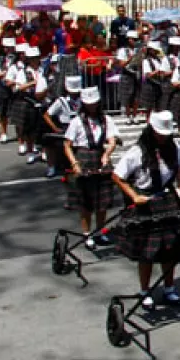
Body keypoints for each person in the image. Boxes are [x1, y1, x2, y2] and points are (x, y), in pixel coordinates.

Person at [111, 111, 180, 308]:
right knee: (147, 251)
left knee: (170, 249)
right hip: (145, 201)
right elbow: (117, 176)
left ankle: (169, 289)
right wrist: (134, 196)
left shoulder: (174, 148)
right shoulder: (137, 152)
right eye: (159, 133)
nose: (163, 137)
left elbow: (179, 167)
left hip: (167, 200)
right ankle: (145, 290)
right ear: (151, 131)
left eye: (166, 134)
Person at [63, 86, 119, 248]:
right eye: (88, 104)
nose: (92, 107)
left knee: (103, 201)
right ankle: (87, 233)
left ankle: (100, 232)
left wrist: (107, 154)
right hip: (83, 158)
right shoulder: (76, 121)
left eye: (94, 103)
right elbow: (67, 144)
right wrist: (74, 163)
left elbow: (112, 140)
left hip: (100, 157)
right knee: (85, 201)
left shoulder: (106, 120)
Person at [42, 75, 84, 178]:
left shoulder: (83, 100)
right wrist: (55, 128)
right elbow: (47, 115)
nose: (75, 94)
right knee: (49, 142)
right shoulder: (61, 101)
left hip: (79, 127)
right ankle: (51, 167)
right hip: (65, 128)